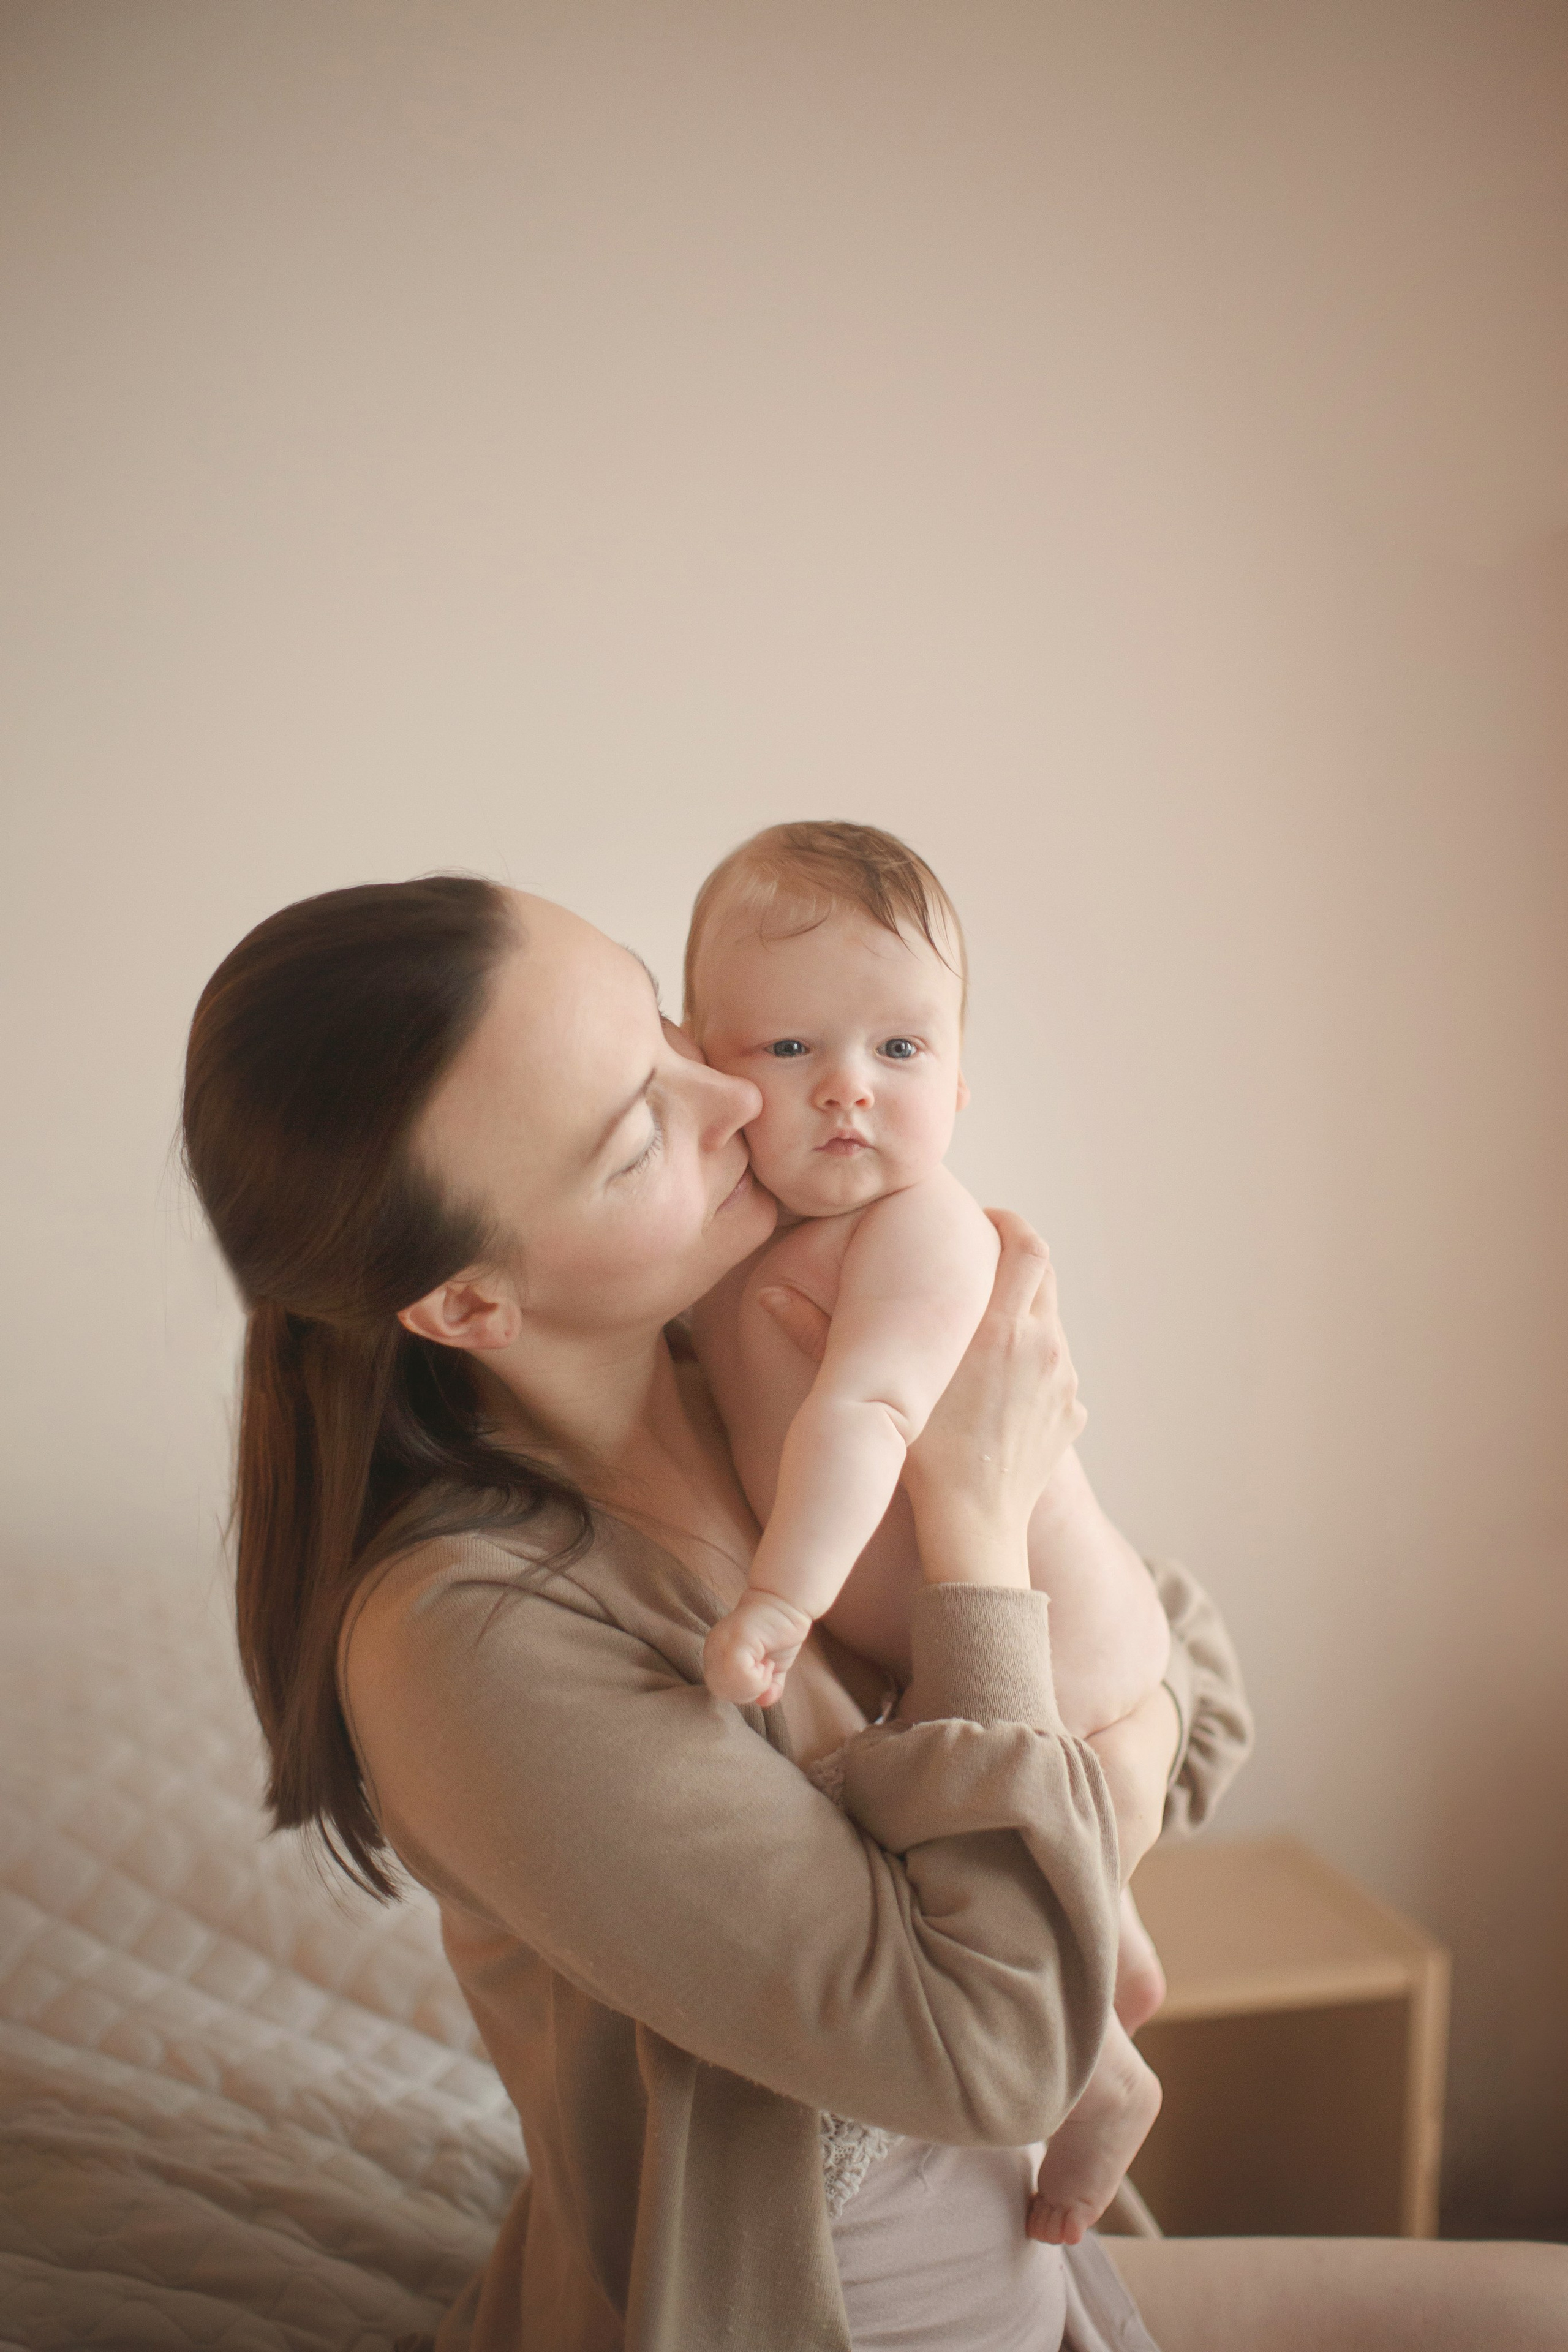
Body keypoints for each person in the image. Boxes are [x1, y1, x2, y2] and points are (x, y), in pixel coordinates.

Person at [182, 873, 1568, 2352]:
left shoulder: (746, 1357)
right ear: (468, 1305)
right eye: (637, 1135)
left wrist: (1062, 1809)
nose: (734, 1095)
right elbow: (995, 2047)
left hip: (1037, 2270)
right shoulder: (469, 1639)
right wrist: (973, 1511)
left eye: (663, 1027)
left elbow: (1190, 1674)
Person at [685, 819, 1171, 2244]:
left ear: (956, 1083)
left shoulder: (919, 1231)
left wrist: (777, 1606)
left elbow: (870, 1417)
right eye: (789, 1048)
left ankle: (1099, 2075)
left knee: (974, 1837)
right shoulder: (732, 1239)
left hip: (1065, 1644)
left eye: (897, 1049)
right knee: (989, 1852)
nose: (847, 1087)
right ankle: (1113, 1987)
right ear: (704, 1068)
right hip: (954, 1652)